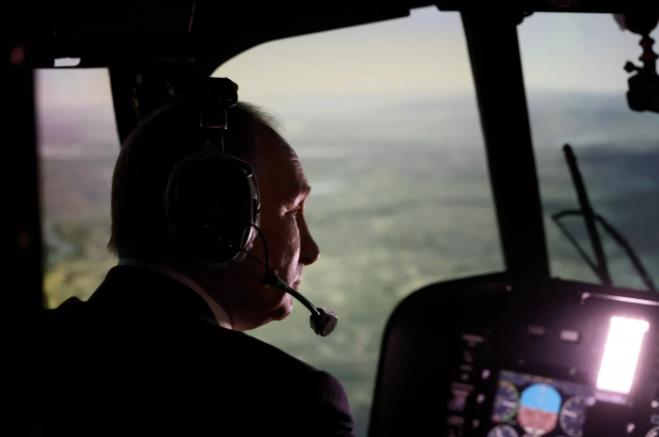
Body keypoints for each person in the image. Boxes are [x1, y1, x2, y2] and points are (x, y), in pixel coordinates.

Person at [28, 101, 354, 436]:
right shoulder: (291, 403)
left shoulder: (29, 352)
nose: (311, 251)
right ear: (218, 219)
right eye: (293, 211)